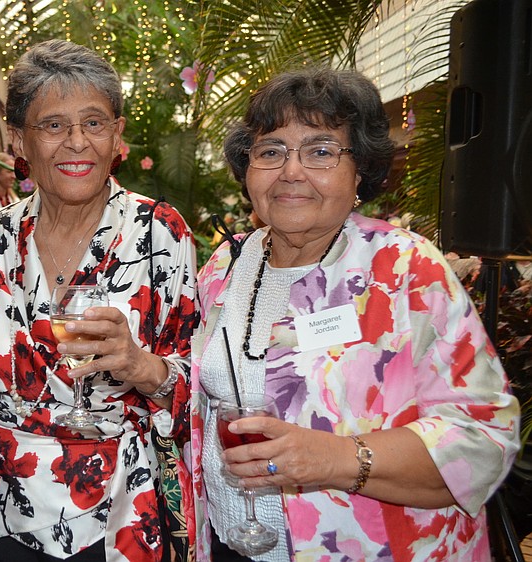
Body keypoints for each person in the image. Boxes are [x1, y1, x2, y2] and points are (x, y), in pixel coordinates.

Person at [189, 66, 520, 561]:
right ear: (247, 167)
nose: (291, 171)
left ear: (359, 170)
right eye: (271, 151)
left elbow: (484, 437)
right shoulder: (227, 263)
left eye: (321, 151)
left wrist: (336, 458)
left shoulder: (406, 268)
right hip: (230, 543)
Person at [0, 39, 198, 562]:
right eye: (52, 125)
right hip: (3, 507)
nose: (76, 142)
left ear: (117, 135)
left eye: (93, 122)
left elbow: (199, 388)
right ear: (18, 140)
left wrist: (142, 365)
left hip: (119, 509)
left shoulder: (160, 233)